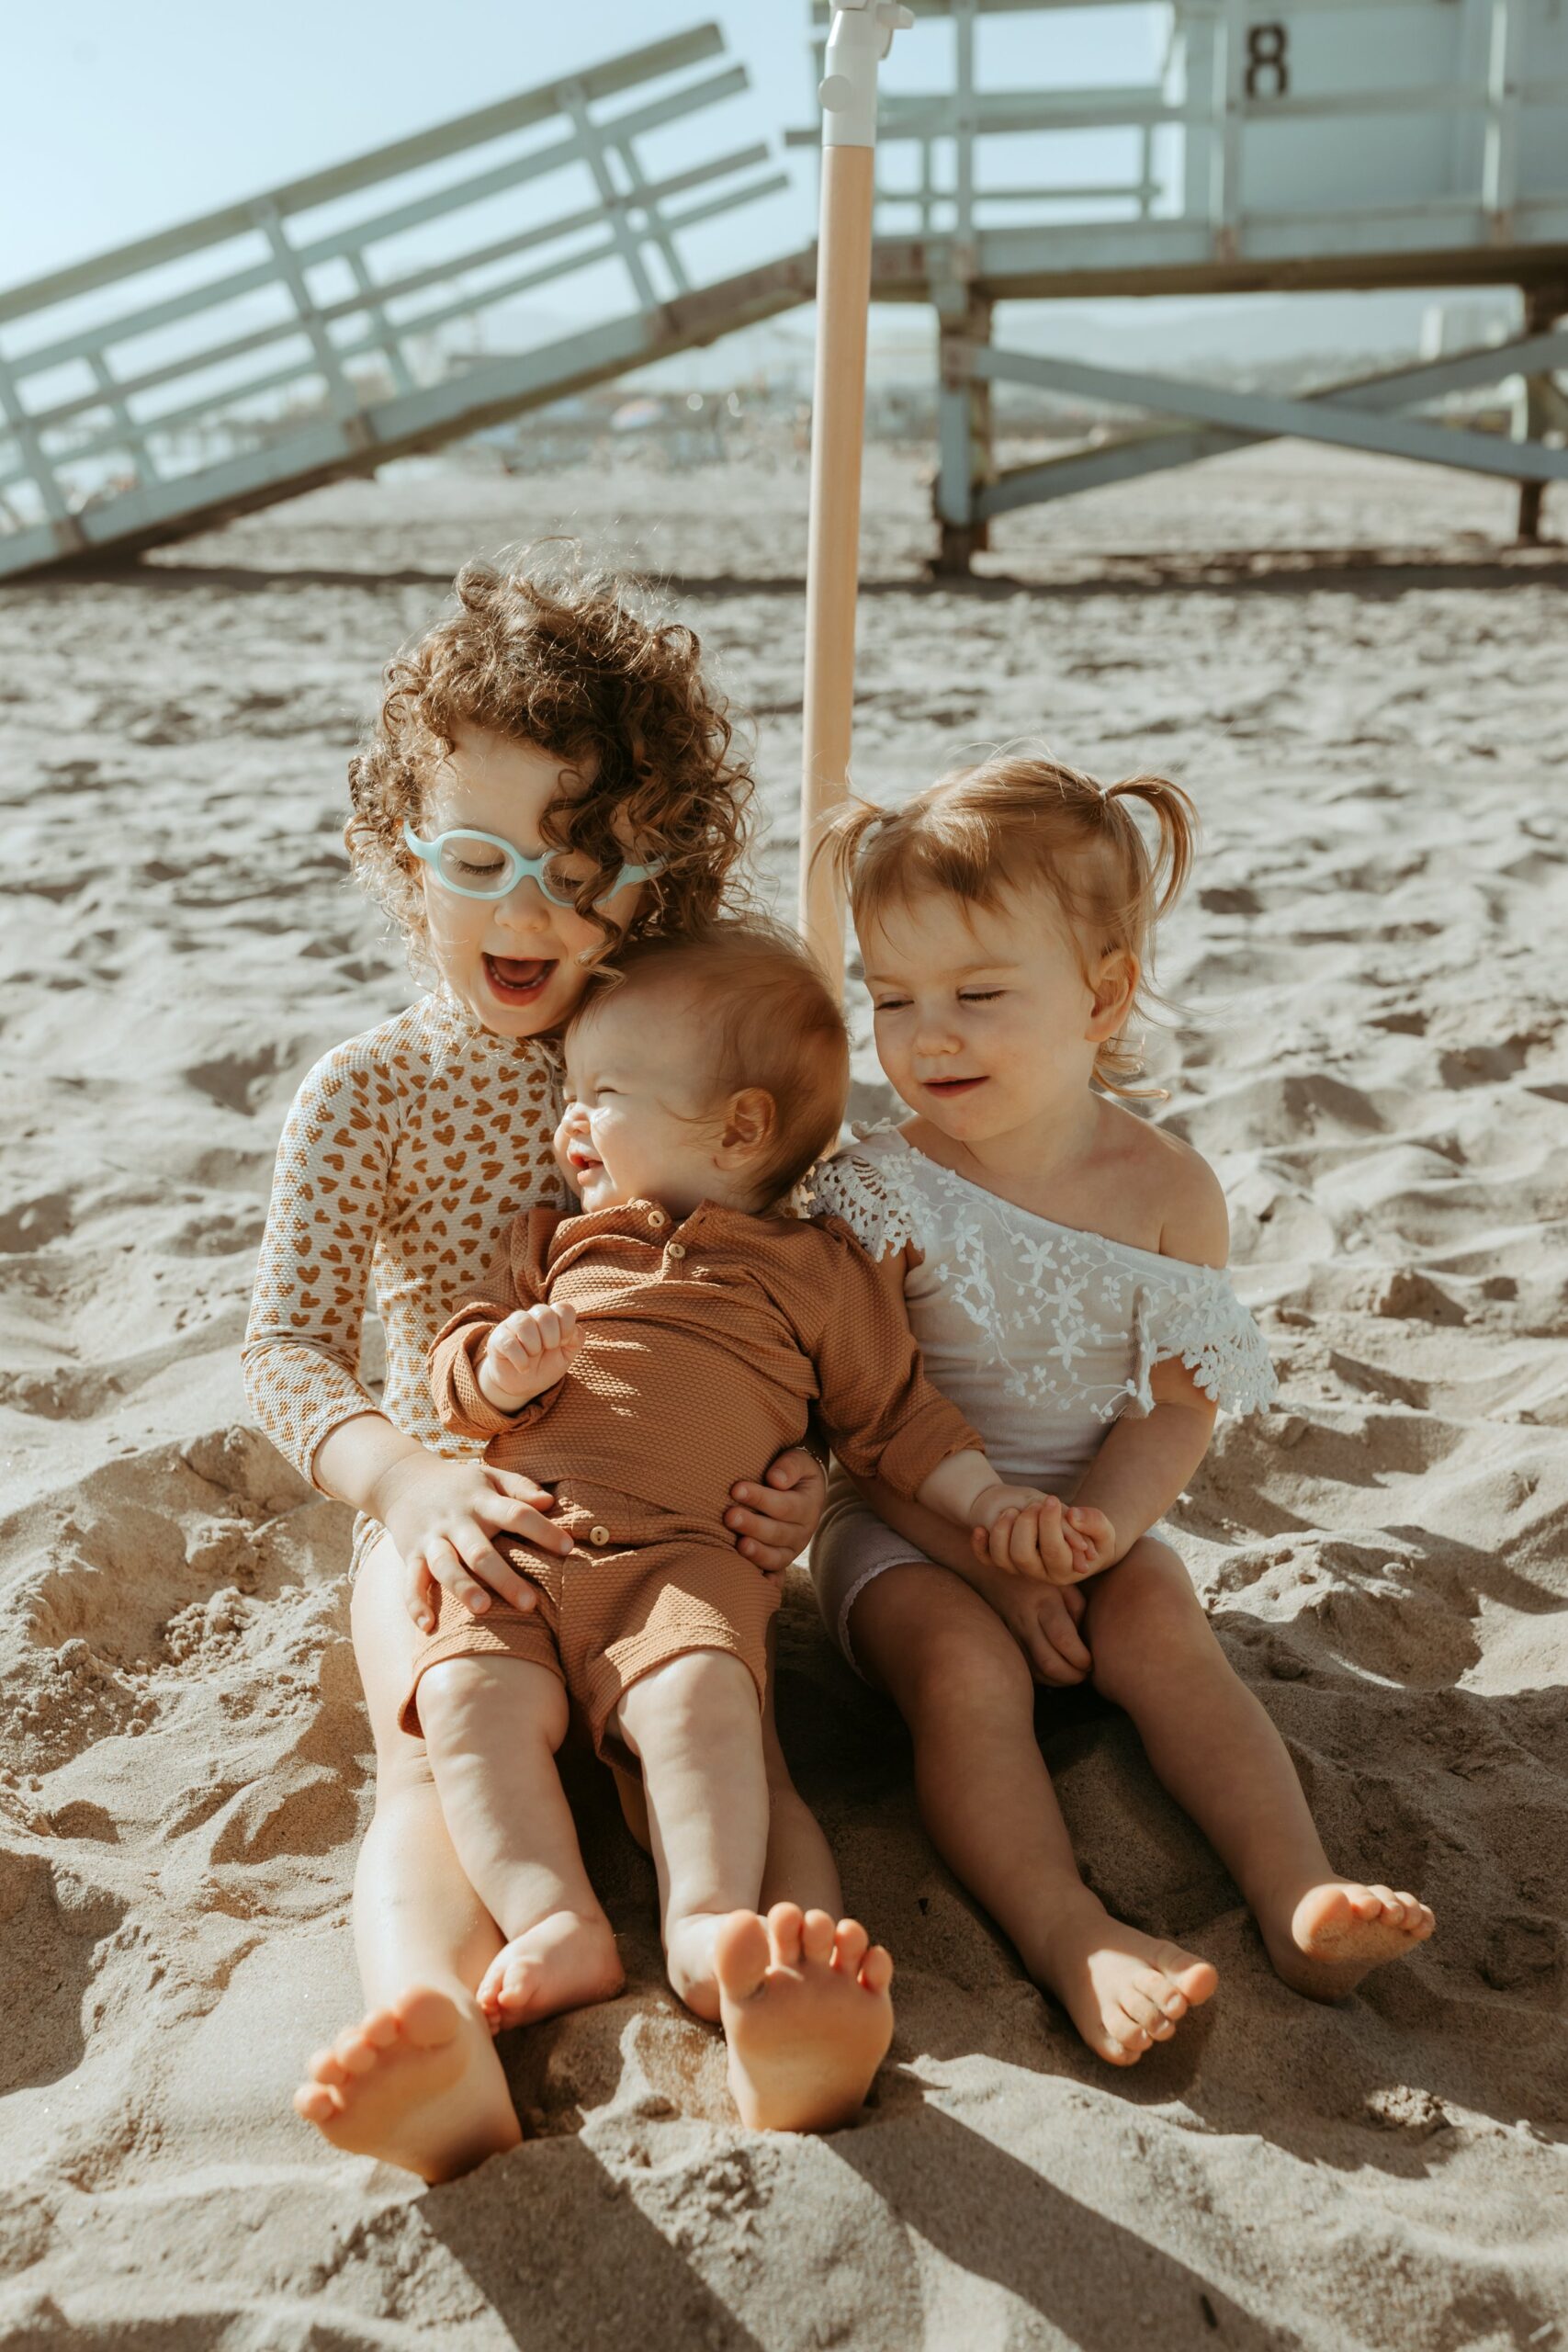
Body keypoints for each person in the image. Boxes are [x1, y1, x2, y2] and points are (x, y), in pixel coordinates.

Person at [243, 562, 835, 2180]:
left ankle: (788, 1985)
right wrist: (408, 1479)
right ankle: (427, 2018)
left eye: (581, 875)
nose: (525, 915)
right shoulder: (367, 1093)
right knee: (427, 1753)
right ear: (400, 854)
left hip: (673, 1506)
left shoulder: (702, 1052)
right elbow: (285, 1345)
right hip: (461, 1503)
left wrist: (814, 1469)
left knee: (729, 1734)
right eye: (478, 861)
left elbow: (811, 1288)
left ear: (659, 878)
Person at [807, 750, 1437, 2067]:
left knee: (1164, 1621)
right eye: (895, 997)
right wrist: (985, 1556)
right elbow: (864, 1414)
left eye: (980, 994)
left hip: (1077, 1521)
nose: (930, 1035)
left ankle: (1296, 1893)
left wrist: (1093, 1534)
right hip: (904, 1532)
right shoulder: (883, 1187)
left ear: (1103, 996)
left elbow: (1173, 1405)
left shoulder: (1166, 1192)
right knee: (965, 1669)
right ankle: (1067, 1931)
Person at [417, 919, 1060, 2131]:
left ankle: (706, 1918)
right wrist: (498, 1369)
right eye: (571, 1093)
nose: (571, 1124)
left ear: (741, 1131)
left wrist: (991, 1501)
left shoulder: (818, 1270)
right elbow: (452, 1372)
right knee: (468, 1701)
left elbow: (896, 1417)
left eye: (604, 1095)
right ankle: (554, 1915)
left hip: (686, 1563)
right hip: (524, 1541)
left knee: (701, 1696)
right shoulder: (555, 1243)